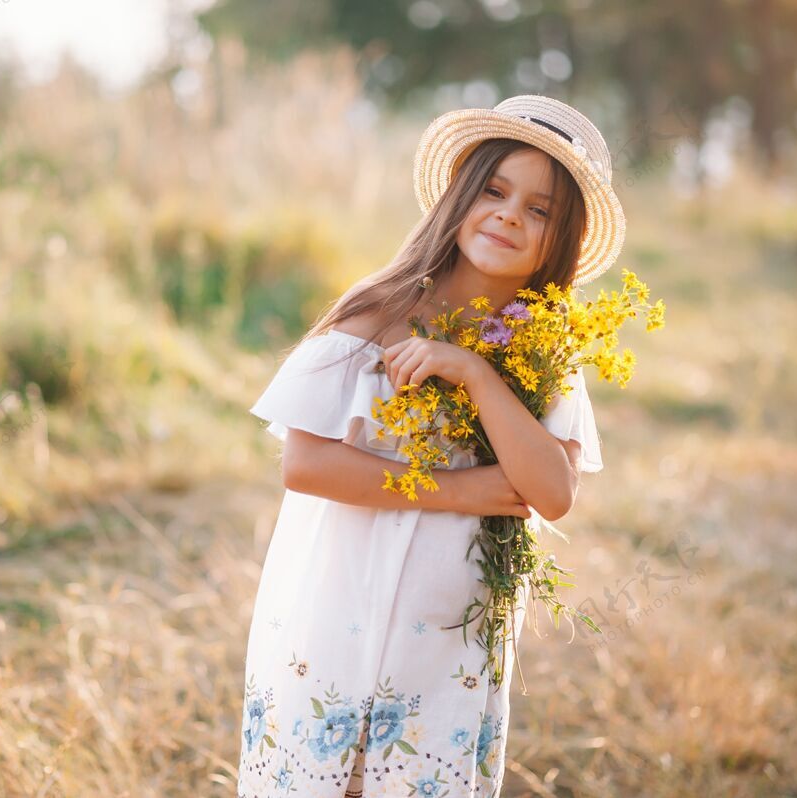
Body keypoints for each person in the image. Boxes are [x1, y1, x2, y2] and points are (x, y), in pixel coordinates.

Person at [236, 95, 626, 798]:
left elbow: (554, 493)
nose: (510, 214)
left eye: (540, 211)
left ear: (561, 240)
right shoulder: (381, 309)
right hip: (342, 604)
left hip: (452, 633)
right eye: (497, 191)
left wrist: (475, 372)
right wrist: (461, 492)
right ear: (461, 196)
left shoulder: (544, 352)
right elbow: (306, 463)